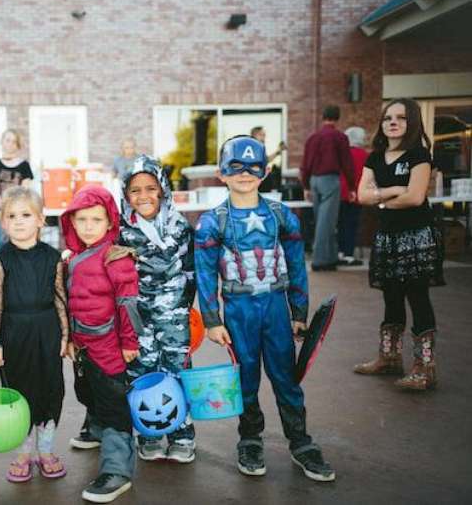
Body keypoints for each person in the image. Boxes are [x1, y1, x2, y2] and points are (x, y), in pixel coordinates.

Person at [195, 135, 335, 482]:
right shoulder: (213, 222)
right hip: (239, 309)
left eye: (252, 166)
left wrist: (299, 313)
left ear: (266, 170)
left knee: (286, 377)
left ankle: (300, 441)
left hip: (274, 306)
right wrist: (212, 320)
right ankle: (250, 438)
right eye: (235, 167)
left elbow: (297, 267)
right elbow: (205, 272)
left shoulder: (280, 215)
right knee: (245, 378)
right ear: (221, 173)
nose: (245, 173)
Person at [353, 98, 444, 391]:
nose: (393, 122)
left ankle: (424, 367)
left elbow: (416, 197)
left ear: (413, 122)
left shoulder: (419, 155)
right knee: (391, 297)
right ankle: (389, 358)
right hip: (388, 237)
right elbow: (362, 196)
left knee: (417, 297)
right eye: (388, 117)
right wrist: (392, 192)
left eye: (401, 118)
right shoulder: (375, 157)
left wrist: (380, 200)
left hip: (416, 237)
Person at [61, 185, 141, 503]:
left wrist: (129, 342)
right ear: (72, 222)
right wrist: (68, 339)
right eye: (82, 219)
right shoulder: (74, 258)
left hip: (109, 346)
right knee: (89, 392)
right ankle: (95, 430)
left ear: (110, 222)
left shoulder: (116, 258)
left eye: (97, 219)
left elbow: (128, 304)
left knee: (112, 404)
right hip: (83, 346)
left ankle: (117, 470)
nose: (89, 226)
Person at [115, 155, 197, 463]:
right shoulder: (121, 231)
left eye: (150, 188)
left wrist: (182, 308)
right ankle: (148, 433)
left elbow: (191, 273)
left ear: (162, 188)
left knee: (176, 370)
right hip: (137, 319)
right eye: (135, 190)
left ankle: (182, 434)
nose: (144, 196)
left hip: (174, 317)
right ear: (125, 194)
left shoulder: (180, 227)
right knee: (141, 370)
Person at [0, 186, 69, 483]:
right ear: (2, 222)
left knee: (50, 389)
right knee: (18, 393)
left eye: (26, 214)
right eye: (11, 216)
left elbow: (60, 296)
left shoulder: (52, 257)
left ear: (39, 220)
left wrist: (65, 335)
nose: (19, 221)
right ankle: (23, 452)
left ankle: (45, 450)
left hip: (46, 329)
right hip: (14, 332)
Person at [301, 105, 356, 271]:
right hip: (330, 179)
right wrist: (352, 187)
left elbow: (305, 163)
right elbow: (347, 163)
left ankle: (330, 257)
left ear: (323, 116)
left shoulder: (313, 137)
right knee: (327, 222)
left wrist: (305, 186)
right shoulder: (340, 137)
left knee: (323, 220)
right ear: (337, 118)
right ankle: (320, 261)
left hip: (314, 180)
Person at [0, 129, 33, 252]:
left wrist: (12, 209)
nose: (10, 144)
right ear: (1, 142)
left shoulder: (24, 166)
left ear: (18, 145)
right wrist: (4, 207)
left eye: (14, 141)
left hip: (18, 213)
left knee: (19, 245)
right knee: (1, 244)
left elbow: (24, 190)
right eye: (7, 140)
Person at [337, 127, 368, 266]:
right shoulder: (364, 155)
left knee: (340, 224)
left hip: (339, 193)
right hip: (355, 193)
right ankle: (348, 255)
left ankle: (339, 253)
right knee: (351, 225)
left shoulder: (341, 153)